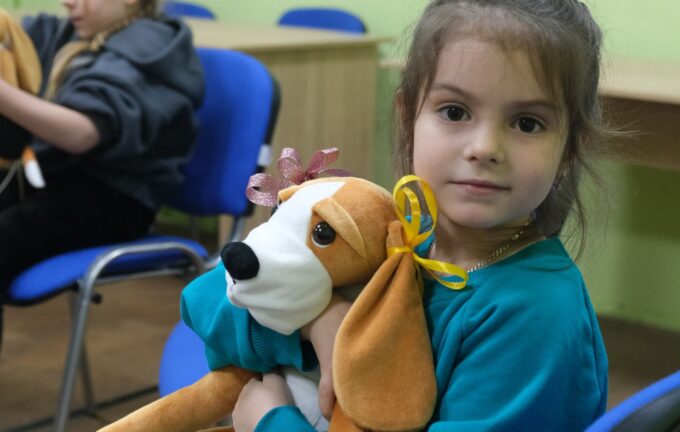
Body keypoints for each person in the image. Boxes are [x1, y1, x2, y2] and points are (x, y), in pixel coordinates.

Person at [184, 0, 612, 430]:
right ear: (409, 117)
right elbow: (206, 299)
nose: (484, 147)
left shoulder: (535, 316)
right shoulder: (399, 235)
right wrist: (317, 321)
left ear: (569, 149)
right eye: (455, 112)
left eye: (527, 123)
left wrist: (272, 421)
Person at [0, 0, 204, 344]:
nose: (70, 2)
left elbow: (82, 133)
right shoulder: (76, 33)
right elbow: (22, 36)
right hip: (61, 182)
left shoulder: (152, 46)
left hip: (117, 198)